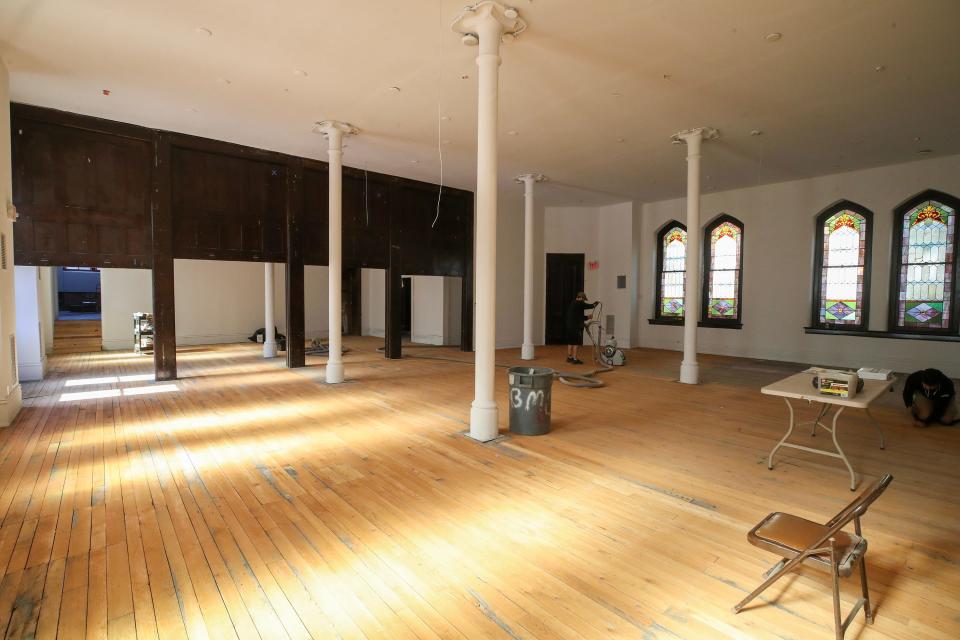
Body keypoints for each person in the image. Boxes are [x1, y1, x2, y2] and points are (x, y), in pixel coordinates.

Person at [565, 292, 598, 365]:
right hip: (575, 327)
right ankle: (575, 359)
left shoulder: (573, 303)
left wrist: (587, 317)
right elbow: (591, 306)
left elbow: (578, 316)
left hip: (569, 326)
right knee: (575, 343)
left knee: (570, 342)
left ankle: (569, 357)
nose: (584, 301)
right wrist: (596, 303)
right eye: (583, 299)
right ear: (581, 298)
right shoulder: (579, 303)